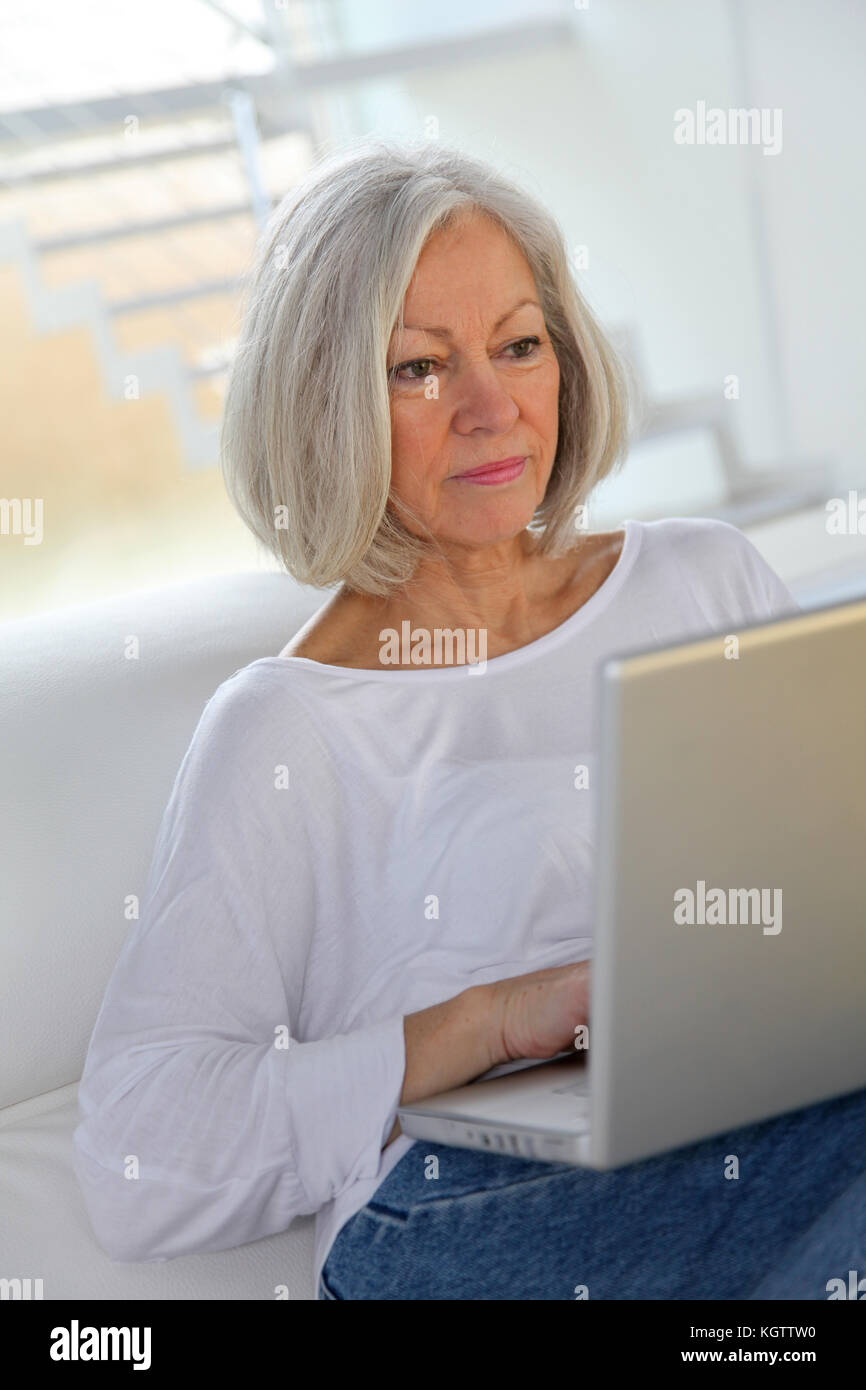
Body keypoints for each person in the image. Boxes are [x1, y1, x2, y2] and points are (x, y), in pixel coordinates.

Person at [72, 139, 866, 1300]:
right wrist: (490, 1023)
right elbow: (135, 1153)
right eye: (420, 369)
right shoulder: (285, 726)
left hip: (769, 1117)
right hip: (475, 1205)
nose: (492, 408)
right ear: (325, 405)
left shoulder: (703, 582)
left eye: (518, 345)